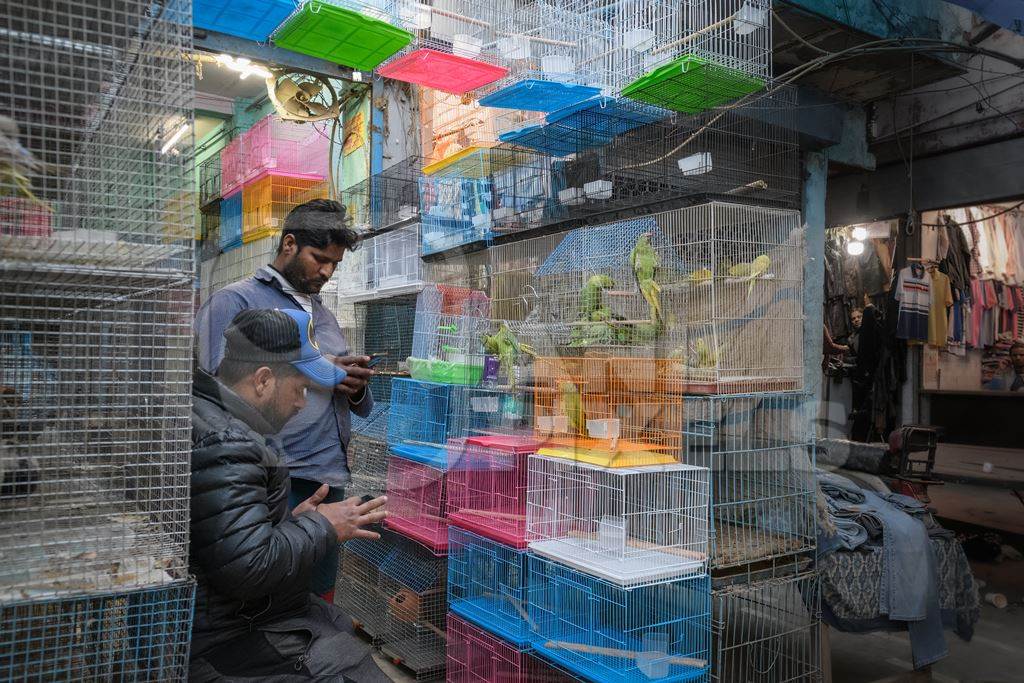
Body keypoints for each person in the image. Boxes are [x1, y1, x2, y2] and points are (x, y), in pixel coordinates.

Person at [189, 308, 391, 681]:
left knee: (337, 625)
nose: (302, 402)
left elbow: (229, 540)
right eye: (300, 387)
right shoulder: (228, 443)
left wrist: (290, 523)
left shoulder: (220, 418)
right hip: (221, 637)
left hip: (232, 614)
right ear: (264, 380)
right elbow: (247, 569)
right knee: (353, 669)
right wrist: (322, 526)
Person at [195, 199, 373, 600]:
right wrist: (310, 366)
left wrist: (353, 384)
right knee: (265, 585)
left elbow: (339, 391)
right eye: (319, 258)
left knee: (318, 590)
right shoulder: (235, 301)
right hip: (270, 473)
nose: (326, 271)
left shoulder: (323, 314)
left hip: (326, 471)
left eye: (334, 264)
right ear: (289, 245)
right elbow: (210, 386)